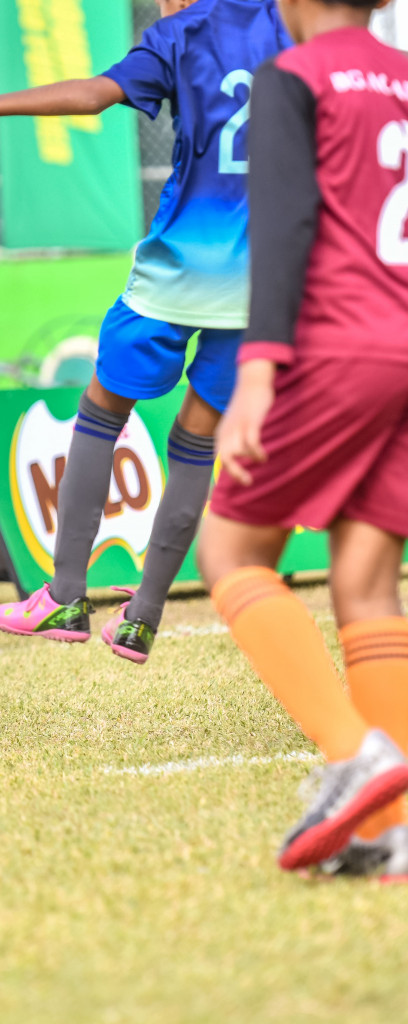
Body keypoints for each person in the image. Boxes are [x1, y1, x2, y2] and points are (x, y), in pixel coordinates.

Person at [0, 0, 289, 663]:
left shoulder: (183, 31)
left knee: (102, 411)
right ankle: (143, 617)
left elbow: (92, 96)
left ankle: (64, 594)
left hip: (179, 271)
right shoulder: (293, 25)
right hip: (262, 277)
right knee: (197, 442)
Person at [197, 0, 408, 875]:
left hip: (336, 349)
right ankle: (390, 833)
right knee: (365, 579)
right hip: (403, 352)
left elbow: (282, 230)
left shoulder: (297, 78)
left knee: (229, 548)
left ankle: (352, 753)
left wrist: (256, 372)